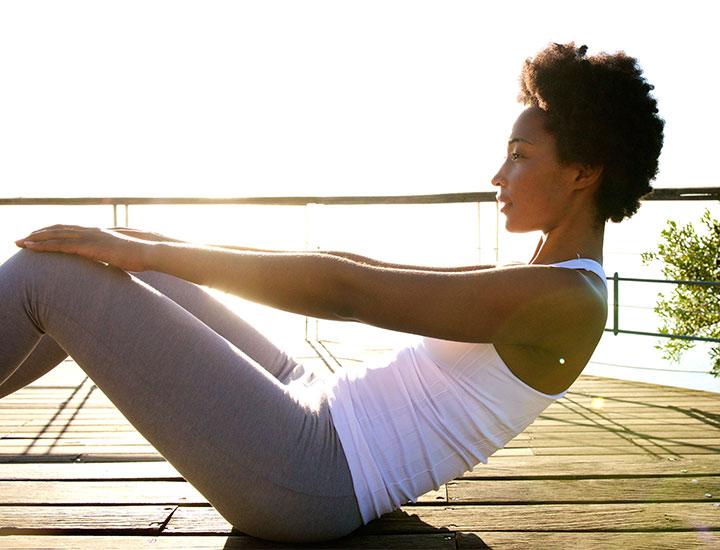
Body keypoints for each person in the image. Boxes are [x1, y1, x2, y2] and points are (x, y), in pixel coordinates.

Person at [0, 43, 664, 543]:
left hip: (312, 475)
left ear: (582, 171)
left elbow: (347, 292)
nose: (498, 173)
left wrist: (143, 251)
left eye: (520, 154)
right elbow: (351, 263)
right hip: (317, 404)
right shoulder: (546, 277)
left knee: (53, 274)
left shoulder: (568, 300)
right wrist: (151, 246)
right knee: (127, 263)